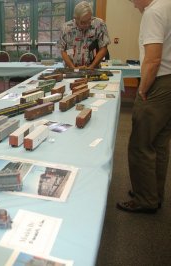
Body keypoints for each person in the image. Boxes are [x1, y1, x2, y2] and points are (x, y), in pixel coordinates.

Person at [117, 0, 171, 214]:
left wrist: (143, 89)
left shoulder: (153, 12)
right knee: (159, 143)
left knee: (140, 144)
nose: (133, 4)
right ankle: (153, 193)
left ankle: (145, 199)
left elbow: (153, 58)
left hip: (158, 83)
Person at [58, 1, 110, 69]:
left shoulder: (100, 24)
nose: (87, 25)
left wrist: (92, 66)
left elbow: (103, 48)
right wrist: (73, 68)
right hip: (71, 69)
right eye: (83, 22)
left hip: (93, 68)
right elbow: (63, 50)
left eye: (89, 20)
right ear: (75, 18)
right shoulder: (66, 28)